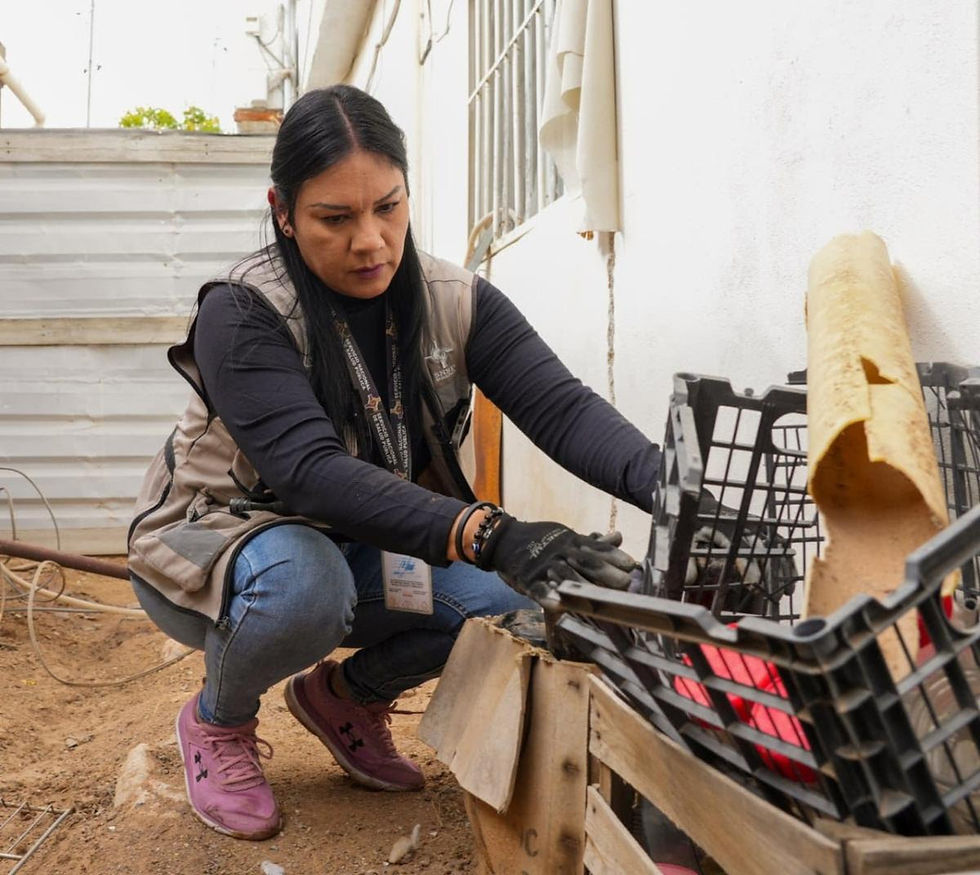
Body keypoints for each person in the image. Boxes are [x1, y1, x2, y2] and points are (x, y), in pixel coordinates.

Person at [127, 84, 661, 842]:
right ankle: (218, 721)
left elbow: (562, 409)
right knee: (307, 584)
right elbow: (311, 471)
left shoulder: (455, 299)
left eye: (388, 206)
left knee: (510, 605)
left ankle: (345, 696)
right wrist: (490, 531)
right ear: (284, 212)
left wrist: (674, 487)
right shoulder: (243, 312)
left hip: (363, 539)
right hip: (218, 545)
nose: (371, 241)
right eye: (335, 218)